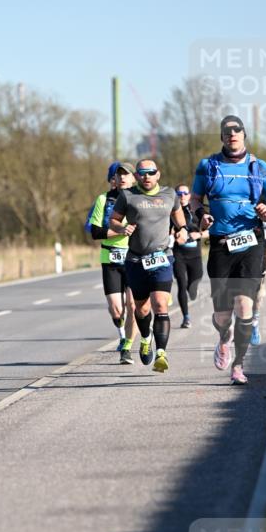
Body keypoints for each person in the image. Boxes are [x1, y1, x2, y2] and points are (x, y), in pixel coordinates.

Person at [189, 115, 266, 386]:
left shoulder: (260, 167)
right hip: (220, 244)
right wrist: (201, 215)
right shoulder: (207, 166)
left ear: (244, 134)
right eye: (227, 131)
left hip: (251, 242)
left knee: (244, 304)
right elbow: (195, 199)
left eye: (237, 130)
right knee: (222, 314)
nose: (232, 134)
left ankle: (238, 365)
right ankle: (224, 338)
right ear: (221, 136)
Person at [109, 159, 188, 373]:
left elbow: (178, 216)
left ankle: (161, 353)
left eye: (151, 172)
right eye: (142, 173)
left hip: (162, 257)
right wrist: (121, 228)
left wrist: (182, 229)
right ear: (137, 176)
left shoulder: (169, 194)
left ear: (158, 174)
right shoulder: (127, 196)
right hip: (136, 260)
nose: (146, 176)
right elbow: (113, 220)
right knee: (142, 309)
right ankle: (146, 338)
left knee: (160, 304)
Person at [86, 161, 137, 364]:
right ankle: (122, 331)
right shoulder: (104, 199)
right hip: (110, 259)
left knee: (133, 305)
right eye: (119, 174)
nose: (122, 177)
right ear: (114, 178)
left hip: (133, 257)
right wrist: (121, 231)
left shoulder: (140, 199)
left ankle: (127, 345)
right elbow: (95, 232)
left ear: (134, 178)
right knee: (116, 309)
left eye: (126, 174)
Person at [171, 184, 204, 328]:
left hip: (195, 255)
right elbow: (167, 231)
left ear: (189, 195)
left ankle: (193, 289)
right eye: (179, 194)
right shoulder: (172, 212)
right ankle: (186, 317)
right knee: (181, 284)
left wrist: (199, 234)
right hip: (179, 253)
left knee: (192, 288)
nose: (182, 196)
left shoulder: (197, 211)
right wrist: (174, 235)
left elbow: (211, 230)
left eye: (185, 193)